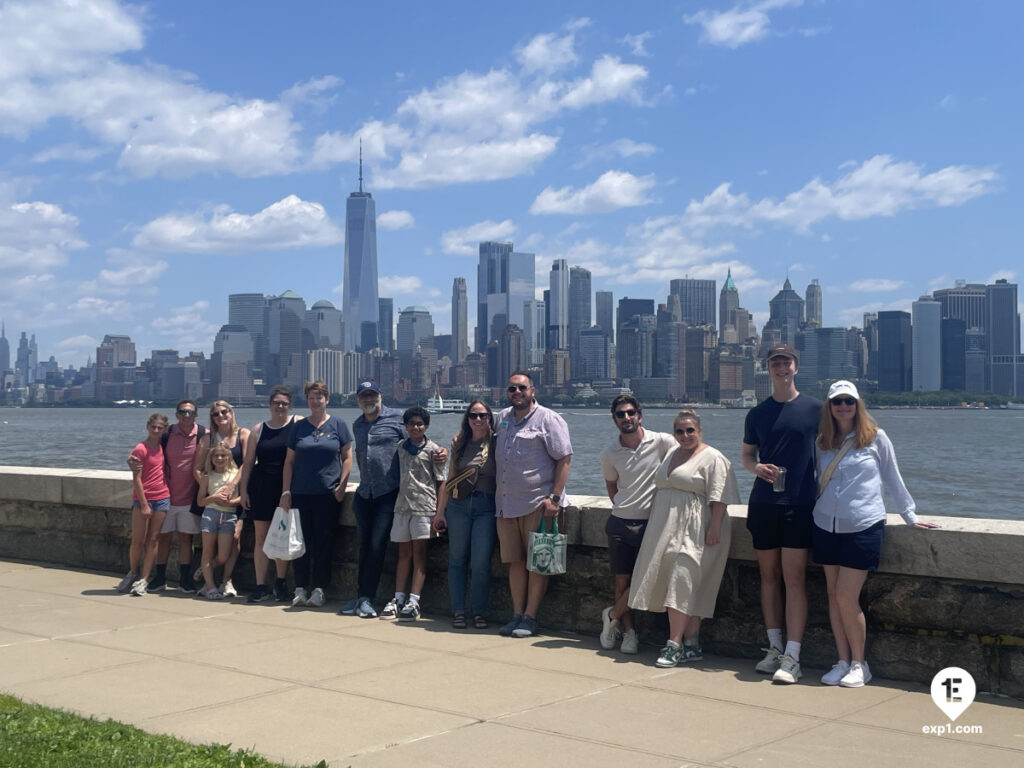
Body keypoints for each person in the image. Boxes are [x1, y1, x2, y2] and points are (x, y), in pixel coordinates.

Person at [814, 380, 939, 687]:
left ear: (858, 405)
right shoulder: (821, 441)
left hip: (863, 526)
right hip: (825, 525)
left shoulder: (876, 437)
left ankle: (860, 663)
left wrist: (909, 515)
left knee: (846, 596)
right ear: (829, 407)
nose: (843, 406)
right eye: (837, 401)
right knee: (833, 596)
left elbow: (892, 477)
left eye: (849, 401)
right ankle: (842, 661)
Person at [629, 410, 739, 666]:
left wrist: (714, 528)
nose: (685, 435)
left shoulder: (713, 457)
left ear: (700, 431)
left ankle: (674, 643)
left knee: (682, 579)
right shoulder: (672, 453)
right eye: (680, 431)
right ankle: (692, 644)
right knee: (684, 584)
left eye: (690, 430)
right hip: (666, 528)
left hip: (698, 528)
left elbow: (720, 495)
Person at [741, 343, 822, 684]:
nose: (781, 367)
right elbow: (747, 455)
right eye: (775, 362)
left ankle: (793, 656)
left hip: (800, 504)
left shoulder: (816, 409)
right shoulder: (757, 414)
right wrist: (756, 468)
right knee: (769, 577)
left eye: (786, 362)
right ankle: (774, 648)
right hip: (764, 503)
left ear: (796, 367)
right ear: (768, 368)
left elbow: (836, 449)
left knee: (794, 579)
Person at [341, 381, 446, 619]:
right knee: (363, 547)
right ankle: (361, 596)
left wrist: (441, 452)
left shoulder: (397, 418)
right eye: (364, 396)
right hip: (364, 493)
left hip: (390, 495)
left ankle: (368, 598)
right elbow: (360, 454)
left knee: (377, 546)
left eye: (372, 395)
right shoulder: (358, 424)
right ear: (358, 400)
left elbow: (418, 440)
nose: (368, 399)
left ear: (380, 396)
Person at [495, 372, 572, 639]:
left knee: (539, 562)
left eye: (522, 388)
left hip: (538, 505)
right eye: (512, 388)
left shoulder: (549, 419)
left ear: (533, 390)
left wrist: (555, 498)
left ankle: (530, 617)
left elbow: (565, 459)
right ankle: (516, 614)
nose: (517, 392)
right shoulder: (501, 418)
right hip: (506, 505)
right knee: (514, 562)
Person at [598, 395, 677, 654]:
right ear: (614, 420)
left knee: (646, 578)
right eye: (620, 414)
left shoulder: (663, 442)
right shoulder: (609, 453)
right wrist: (627, 506)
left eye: (631, 412)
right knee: (622, 581)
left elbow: (688, 458)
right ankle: (629, 633)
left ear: (640, 415)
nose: (626, 417)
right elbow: (612, 488)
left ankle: (612, 615)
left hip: (652, 524)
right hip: (620, 523)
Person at [279, 381, 352, 608]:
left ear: (327, 399)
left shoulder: (338, 424)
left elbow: (348, 457)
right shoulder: (299, 428)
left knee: (324, 543)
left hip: (327, 494)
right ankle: (300, 588)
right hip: (300, 493)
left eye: (319, 397)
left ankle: (320, 589)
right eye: (311, 397)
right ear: (307, 400)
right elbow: (289, 462)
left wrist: (341, 486)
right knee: (300, 543)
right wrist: (286, 491)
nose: (315, 401)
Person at [128, 399, 206, 592]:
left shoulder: (203, 434)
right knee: (162, 538)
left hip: (189, 497)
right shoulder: (167, 433)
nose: (186, 415)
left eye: (190, 412)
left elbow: (219, 455)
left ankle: (185, 580)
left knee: (186, 539)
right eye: (182, 412)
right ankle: (159, 578)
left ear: (196, 415)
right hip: (166, 497)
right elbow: (149, 447)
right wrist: (131, 459)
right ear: (177, 414)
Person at [434, 400, 497, 629]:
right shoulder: (459, 442)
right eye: (473, 415)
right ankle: (458, 611)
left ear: (489, 418)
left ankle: (479, 612)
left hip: (486, 507)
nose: (478, 419)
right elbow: (450, 478)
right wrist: (440, 512)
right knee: (457, 560)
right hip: (458, 506)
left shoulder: (497, 442)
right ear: (467, 419)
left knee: (480, 563)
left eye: (483, 415)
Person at [378, 407, 446, 622]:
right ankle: (398, 598)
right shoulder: (401, 447)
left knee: (419, 555)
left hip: (424, 508)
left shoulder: (434, 450)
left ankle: (414, 600)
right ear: (405, 426)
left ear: (426, 426)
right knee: (403, 554)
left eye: (420, 424)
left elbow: (442, 482)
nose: (416, 427)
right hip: (402, 507)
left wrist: (439, 512)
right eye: (411, 424)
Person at [239, 386, 302, 602]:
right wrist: (243, 490)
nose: (280, 406)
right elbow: (248, 463)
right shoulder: (258, 429)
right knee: (261, 538)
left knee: (283, 536)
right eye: (276, 403)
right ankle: (260, 585)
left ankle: (280, 583)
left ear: (290, 406)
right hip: (261, 487)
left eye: (284, 403)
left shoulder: (298, 423)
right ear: (270, 405)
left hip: (287, 488)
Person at [193, 401, 250, 598]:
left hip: (238, 494)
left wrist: (232, 485)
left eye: (224, 412)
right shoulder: (207, 438)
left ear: (231, 413)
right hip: (213, 500)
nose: (221, 416)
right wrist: (210, 489)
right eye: (216, 414)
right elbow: (197, 468)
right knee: (210, 545)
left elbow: (247, 463)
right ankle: (209, 583)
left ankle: (226, 580)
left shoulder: (243, 434)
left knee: (235, 538)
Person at [121, 413, 171, 595]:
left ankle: (144, 579)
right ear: (148, 427)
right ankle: (133, 572)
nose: (156, 430)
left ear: (164, 429)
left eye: (160, 428)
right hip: (144, 499)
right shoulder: (140, 449)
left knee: (153, 540)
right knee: (138, 540)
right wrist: (143, 504)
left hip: (162, 497)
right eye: (153, 427)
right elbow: (137, 478)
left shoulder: (163, 446)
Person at [196, 443, 242, 600]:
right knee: (207, 551)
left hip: (229, 515)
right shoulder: (207, 476)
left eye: (223, 455)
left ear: (229, 456)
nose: (220, 458)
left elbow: (242, 497)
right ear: (211, 458)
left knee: (223, 555)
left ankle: (205, 569)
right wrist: (214, 498)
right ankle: (210, 587)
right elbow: (200, 501)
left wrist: (231, 502)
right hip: (210, 514)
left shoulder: (235, 474)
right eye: (216, 455)